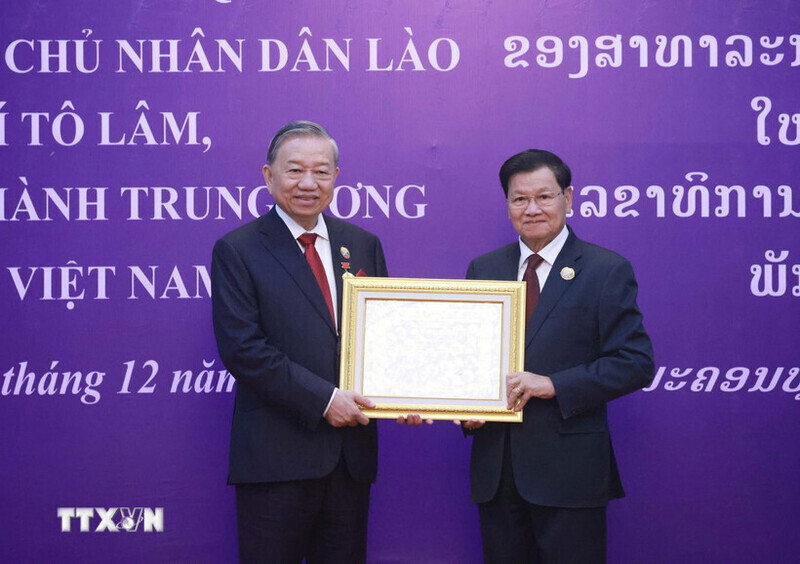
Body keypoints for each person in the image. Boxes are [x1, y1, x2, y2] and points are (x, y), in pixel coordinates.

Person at [462, 149, 655, 563]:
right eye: (519, 199)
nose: (532, 209)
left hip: (570, 474)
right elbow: (470, 358)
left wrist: (552, 385)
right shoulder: (484, 269)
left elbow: (636, 362)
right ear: (508, 204)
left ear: (568, 198)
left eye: (544, 197)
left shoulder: (605, 270)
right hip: (498, 473)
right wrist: (464, 404)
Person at [211, 121, 388, 563]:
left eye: (321, 172)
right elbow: (244, 349)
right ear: (268, 176)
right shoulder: (239, 249)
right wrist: (325, 400)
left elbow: (384, 337)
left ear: (336, 178)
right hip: (277, 460)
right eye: (294, 171)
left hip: (350, 461)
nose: (308, 183)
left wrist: (405, 393)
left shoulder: (362, 245)